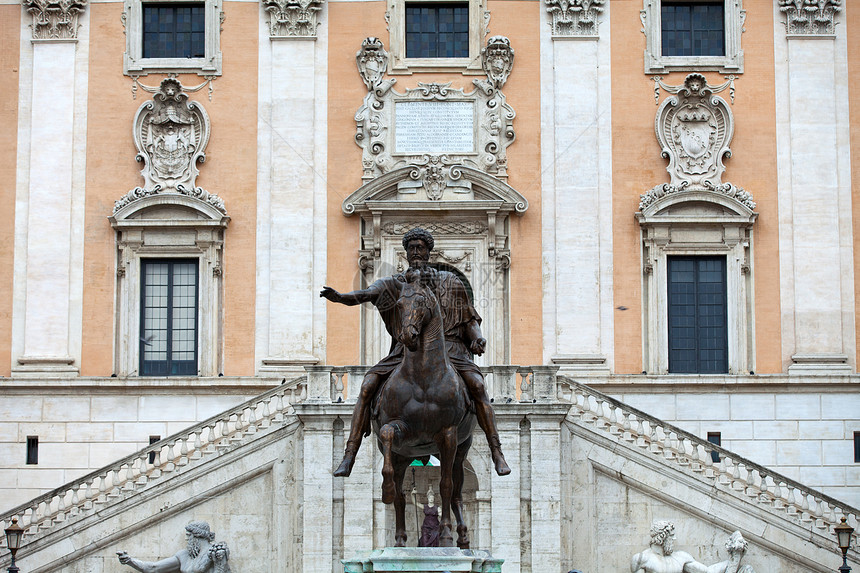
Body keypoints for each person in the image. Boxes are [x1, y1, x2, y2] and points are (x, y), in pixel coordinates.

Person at [321, 227, 511, 477]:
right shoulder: (395, 284)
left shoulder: (451, 282)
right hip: (405, 352)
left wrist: (477, 338)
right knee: (367, 386)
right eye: (411, 249)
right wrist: (341, 297)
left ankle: (496, 451)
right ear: (406, 253)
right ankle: (349, 455)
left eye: (420, 248)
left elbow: (469, 319)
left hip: (451, 350)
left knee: (477, 386)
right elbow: (366, 294)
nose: (415, 252)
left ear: (429, 252)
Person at [631, 521, 753, 573]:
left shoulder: (680, 557)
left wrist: (734, 556)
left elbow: (707, 571)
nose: (674, 539)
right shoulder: (642, 559)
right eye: (671, 536)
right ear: (662, 537)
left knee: (746, 570)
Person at [117, 521, 231, 573]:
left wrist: (220, 560)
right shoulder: (184, 555)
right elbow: (154, 568)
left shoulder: (215, 550)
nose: (187, 539)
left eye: (189, 536)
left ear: (197, 536)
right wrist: (130, 561)